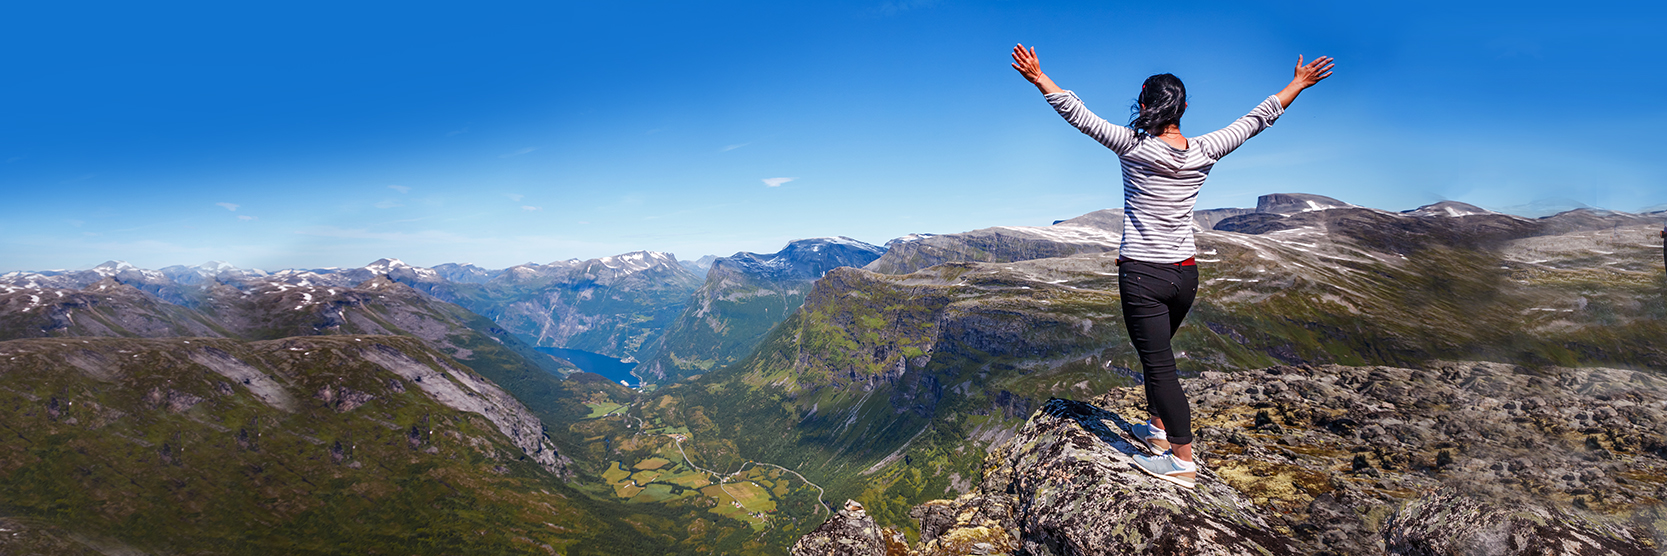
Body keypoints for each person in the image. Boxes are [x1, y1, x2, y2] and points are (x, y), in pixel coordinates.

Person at [1012, 44, 1333, 489]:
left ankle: (1181, 460)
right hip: (1184, 274)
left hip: (1143, 273)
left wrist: (1039, 78)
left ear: (1145, 106)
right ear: (1184, 108)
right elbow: (1256, 120)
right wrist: (1297, 84)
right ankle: (1158, 431)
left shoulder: (1132, 146)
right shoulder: (1204, 150)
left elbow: (1078, 114)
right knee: (1155, 356)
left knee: (1159, 366)